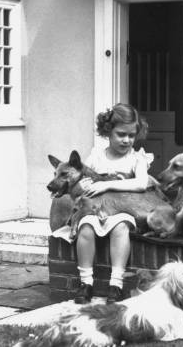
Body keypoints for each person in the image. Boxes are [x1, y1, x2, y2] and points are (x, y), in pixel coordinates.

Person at [52, 103, 152, 304]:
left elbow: (141, 184)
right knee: (86, 227)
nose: (126, 140)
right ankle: (86, 282)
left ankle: (116, 284)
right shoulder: (98, 155)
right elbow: (83, 175)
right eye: (121, 134)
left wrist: (107, 186)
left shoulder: (136, 158)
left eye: (131, 135)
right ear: (108, 132)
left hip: (122, 209)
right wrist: (85, 183)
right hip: (96, 209)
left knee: (121, 227)